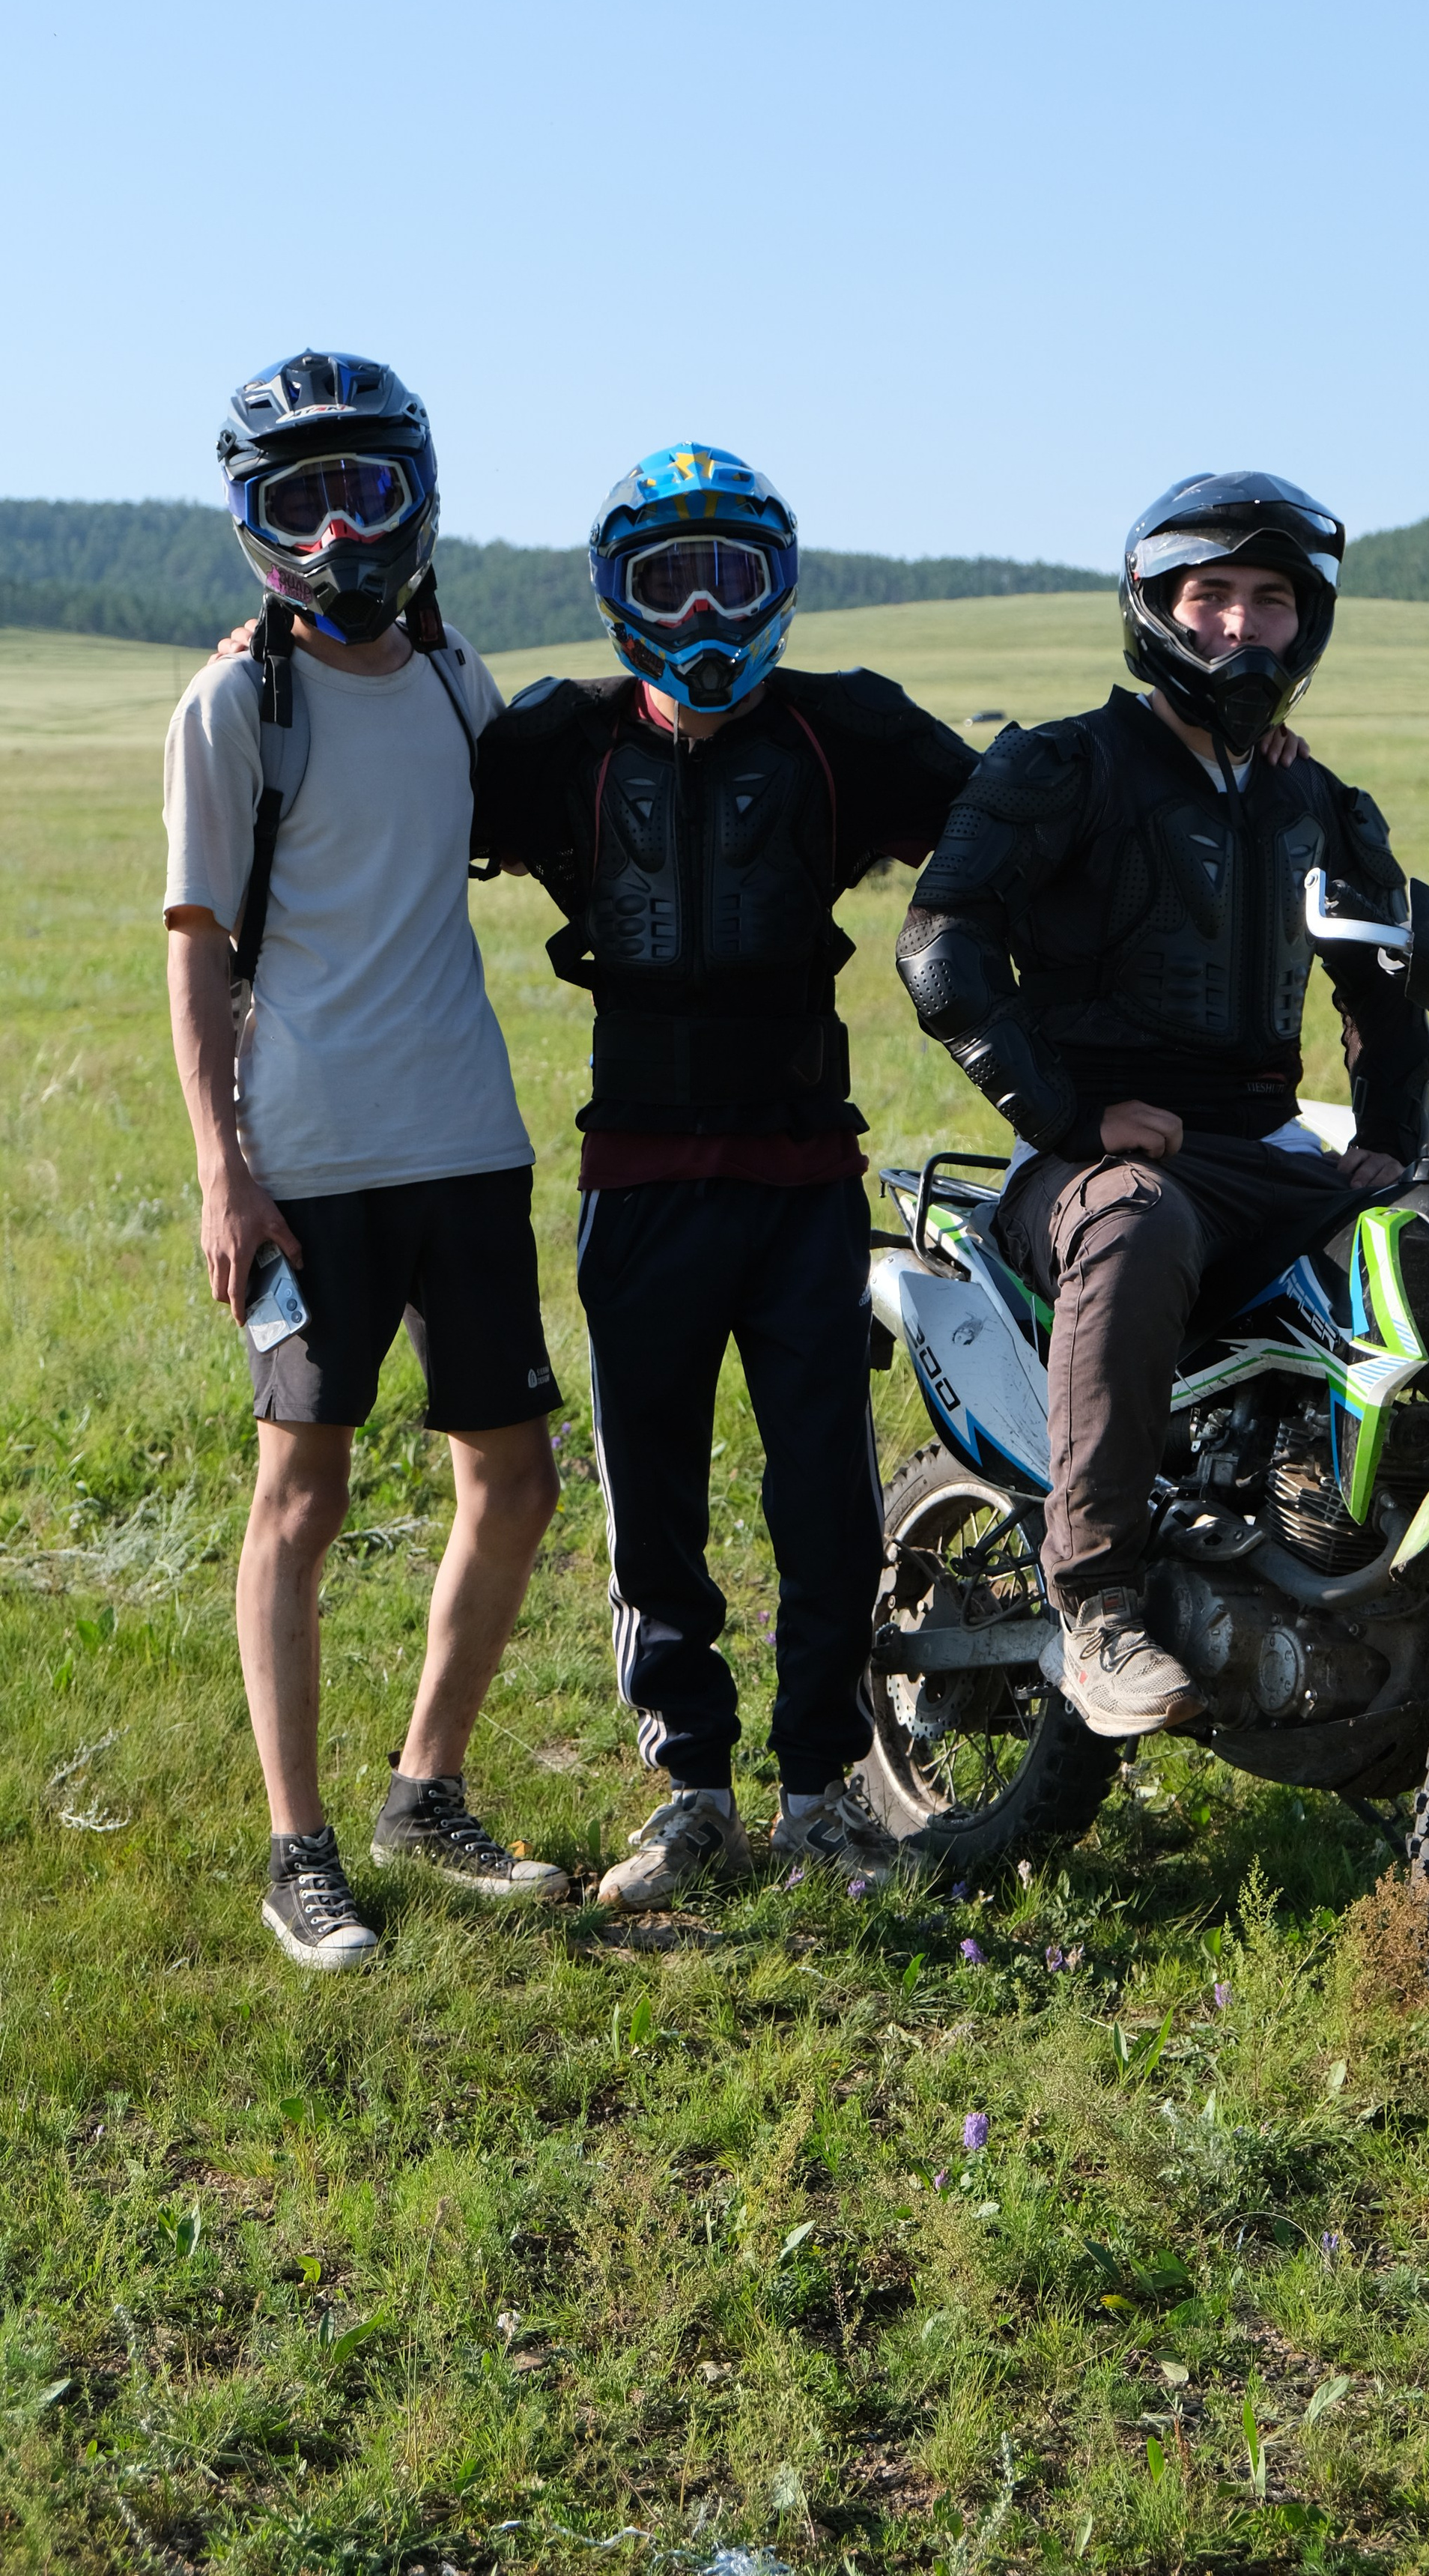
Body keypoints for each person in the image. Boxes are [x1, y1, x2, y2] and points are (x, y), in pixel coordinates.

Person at [473, 443, 976, 1905]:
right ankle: (691, 1794)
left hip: (804, 1180)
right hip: (637, 1182)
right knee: (653, 1499)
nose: (701, 612)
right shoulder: (554, 745)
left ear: (781, 585)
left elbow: (1014, 816)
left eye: (730, 577)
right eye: (667, 581)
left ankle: (819, 1798)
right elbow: (382, 800)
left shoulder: (845, 733)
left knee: (825, 1500)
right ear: (614, 595)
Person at [896, 469, 1429, 1737]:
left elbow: (1389, 980)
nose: (1242, 625)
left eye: (1270, 599)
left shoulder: (1315, 802)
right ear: (1155, 607)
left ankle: (1380, 1577)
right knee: (1137, 1217)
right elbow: (940, 947)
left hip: (1262, 1156)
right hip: (1085, 1173)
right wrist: (1074, 1118)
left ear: (1307, 622)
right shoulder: (1064, 764)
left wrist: (1395, 1144)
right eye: (1212, 595)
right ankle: (1096, 1604)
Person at [163, 350, 568, 1972]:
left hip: (468, 1140)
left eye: (366, 490)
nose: (337, 532)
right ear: (253, 524)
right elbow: (196, 948)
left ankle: (425, 1795)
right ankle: (299, 1851)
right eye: (299, 501)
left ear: (420, 497)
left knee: (517, 1482)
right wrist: (222, 1169)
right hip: (309, 1161)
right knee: (301, 1493)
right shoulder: (231, 706)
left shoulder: (459, 682)